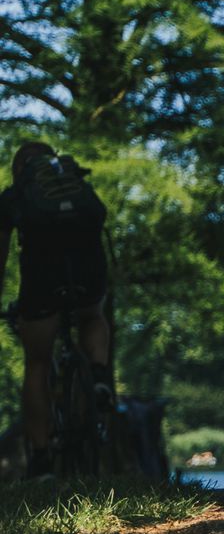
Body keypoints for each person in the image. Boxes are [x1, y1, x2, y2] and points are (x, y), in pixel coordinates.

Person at [0, 142, 114, 480]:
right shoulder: (77, 184)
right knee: (93, 316)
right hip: (89, 271)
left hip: (42, 278)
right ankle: (97, 377)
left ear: (19, 168)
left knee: (37, 362)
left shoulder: (14, 196)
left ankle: (40, 460)